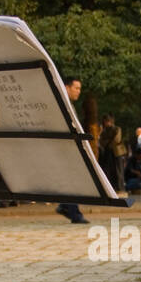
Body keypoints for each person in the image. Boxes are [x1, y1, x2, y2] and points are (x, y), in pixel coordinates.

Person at [54, 78, 90, 224]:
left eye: (80, 89)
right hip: (64, 146)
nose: (78, 92)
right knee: (72, 179)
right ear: (66, 87)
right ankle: (72, 211)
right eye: (76, 88)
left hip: (68, 145)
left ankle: (67, 207)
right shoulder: (61, 103)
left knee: (70, 179)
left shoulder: (66, 103)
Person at [98, 114, 125, 190]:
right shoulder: (104, 130)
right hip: (108, 152)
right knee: (109, 170)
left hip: (117, 152)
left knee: (118, 170)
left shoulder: (117, 129)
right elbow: (101, 140)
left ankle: (120, 187)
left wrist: (108, 142)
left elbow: (117, 139)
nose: (106, 123)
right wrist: (108, 142)